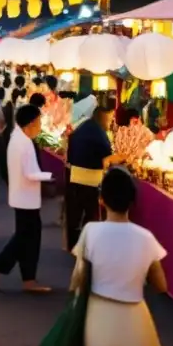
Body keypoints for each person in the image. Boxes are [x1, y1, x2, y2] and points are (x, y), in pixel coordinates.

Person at [72, 168, 173, 346]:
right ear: (132, 201)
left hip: (99, 316)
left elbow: (77, 282)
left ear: (101, 200)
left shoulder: (90, 233)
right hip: (134, 318)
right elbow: (161, 286)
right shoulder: (145, 238)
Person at [0, 104, 51, 294]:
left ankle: (28, 279)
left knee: (28, 238)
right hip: (25, 198)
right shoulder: (23, 142)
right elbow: (30, 173)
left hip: (23, 197)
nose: (40, 126)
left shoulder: (17, 138)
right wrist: (49, 176)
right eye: (39, 122)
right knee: (25, 238)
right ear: (31, 123)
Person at [65, 104, 120, 251]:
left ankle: (72, 245)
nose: (111, 122)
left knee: (75, 214)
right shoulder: (99, 134)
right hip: (90, 179)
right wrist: (123, 157)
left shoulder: (83, 127)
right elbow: (107, 158)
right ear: (103, 118)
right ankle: (87, 245)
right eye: (110, 119)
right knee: (91, 214)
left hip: (74, 175)